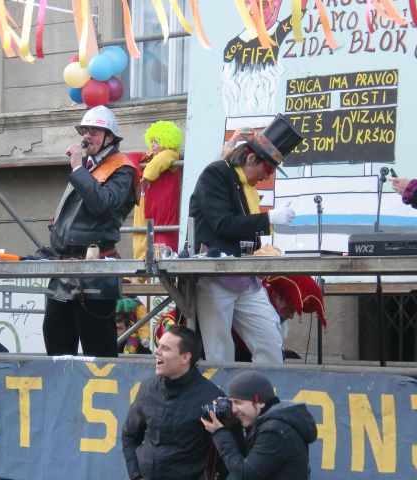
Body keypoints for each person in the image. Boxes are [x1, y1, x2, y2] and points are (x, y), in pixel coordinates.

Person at [188, 114, 303, 364]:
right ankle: (223, 399)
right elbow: (223, 224)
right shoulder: (216, 174)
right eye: (268, 169)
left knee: (269, 339)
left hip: (246, 275)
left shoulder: (247, 187)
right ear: (251, 158)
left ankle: (266, 396)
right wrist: (269, 218)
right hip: (215, 274)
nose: (266, 176)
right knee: (219, 349)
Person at [43, 106, 140, 358]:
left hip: (94, 274)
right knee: (57, 352)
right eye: (85, 130)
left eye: (95, 131)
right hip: (64, 271)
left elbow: (105, 204)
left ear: (110, 137)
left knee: (98, 355)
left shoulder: (122, 168)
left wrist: (77, 170)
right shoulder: (88, 167)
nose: (87, 136)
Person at [121, 325, 229, 480]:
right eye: (158, 346)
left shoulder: (212, 397)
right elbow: (129, 436)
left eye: (165, 348)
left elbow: (224, 456)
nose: (156, 352)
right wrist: (136, 476)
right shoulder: (147, 388)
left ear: (185, 357)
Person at [202, 370, 318, 479]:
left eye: (238, 402)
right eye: (231, 402)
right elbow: (246, 460)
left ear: (260, 403)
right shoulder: (268, 420)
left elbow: (246, 474)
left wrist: (219, 433)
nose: (234, 410)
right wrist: (233, 427)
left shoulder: (275, 430)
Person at [131, 120, 183, 259]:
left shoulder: (172, 155)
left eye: (157, 141)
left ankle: (159, 277)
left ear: (167, 142)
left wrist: (147, 176)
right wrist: (137, 174)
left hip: (162, 211)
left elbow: (163, 158)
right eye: (152, 141)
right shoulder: (148, 157)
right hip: (144, 205)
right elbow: (130, 158)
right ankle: (139, 274)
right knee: (140, 240)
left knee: (163, 245)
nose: (152, 145)